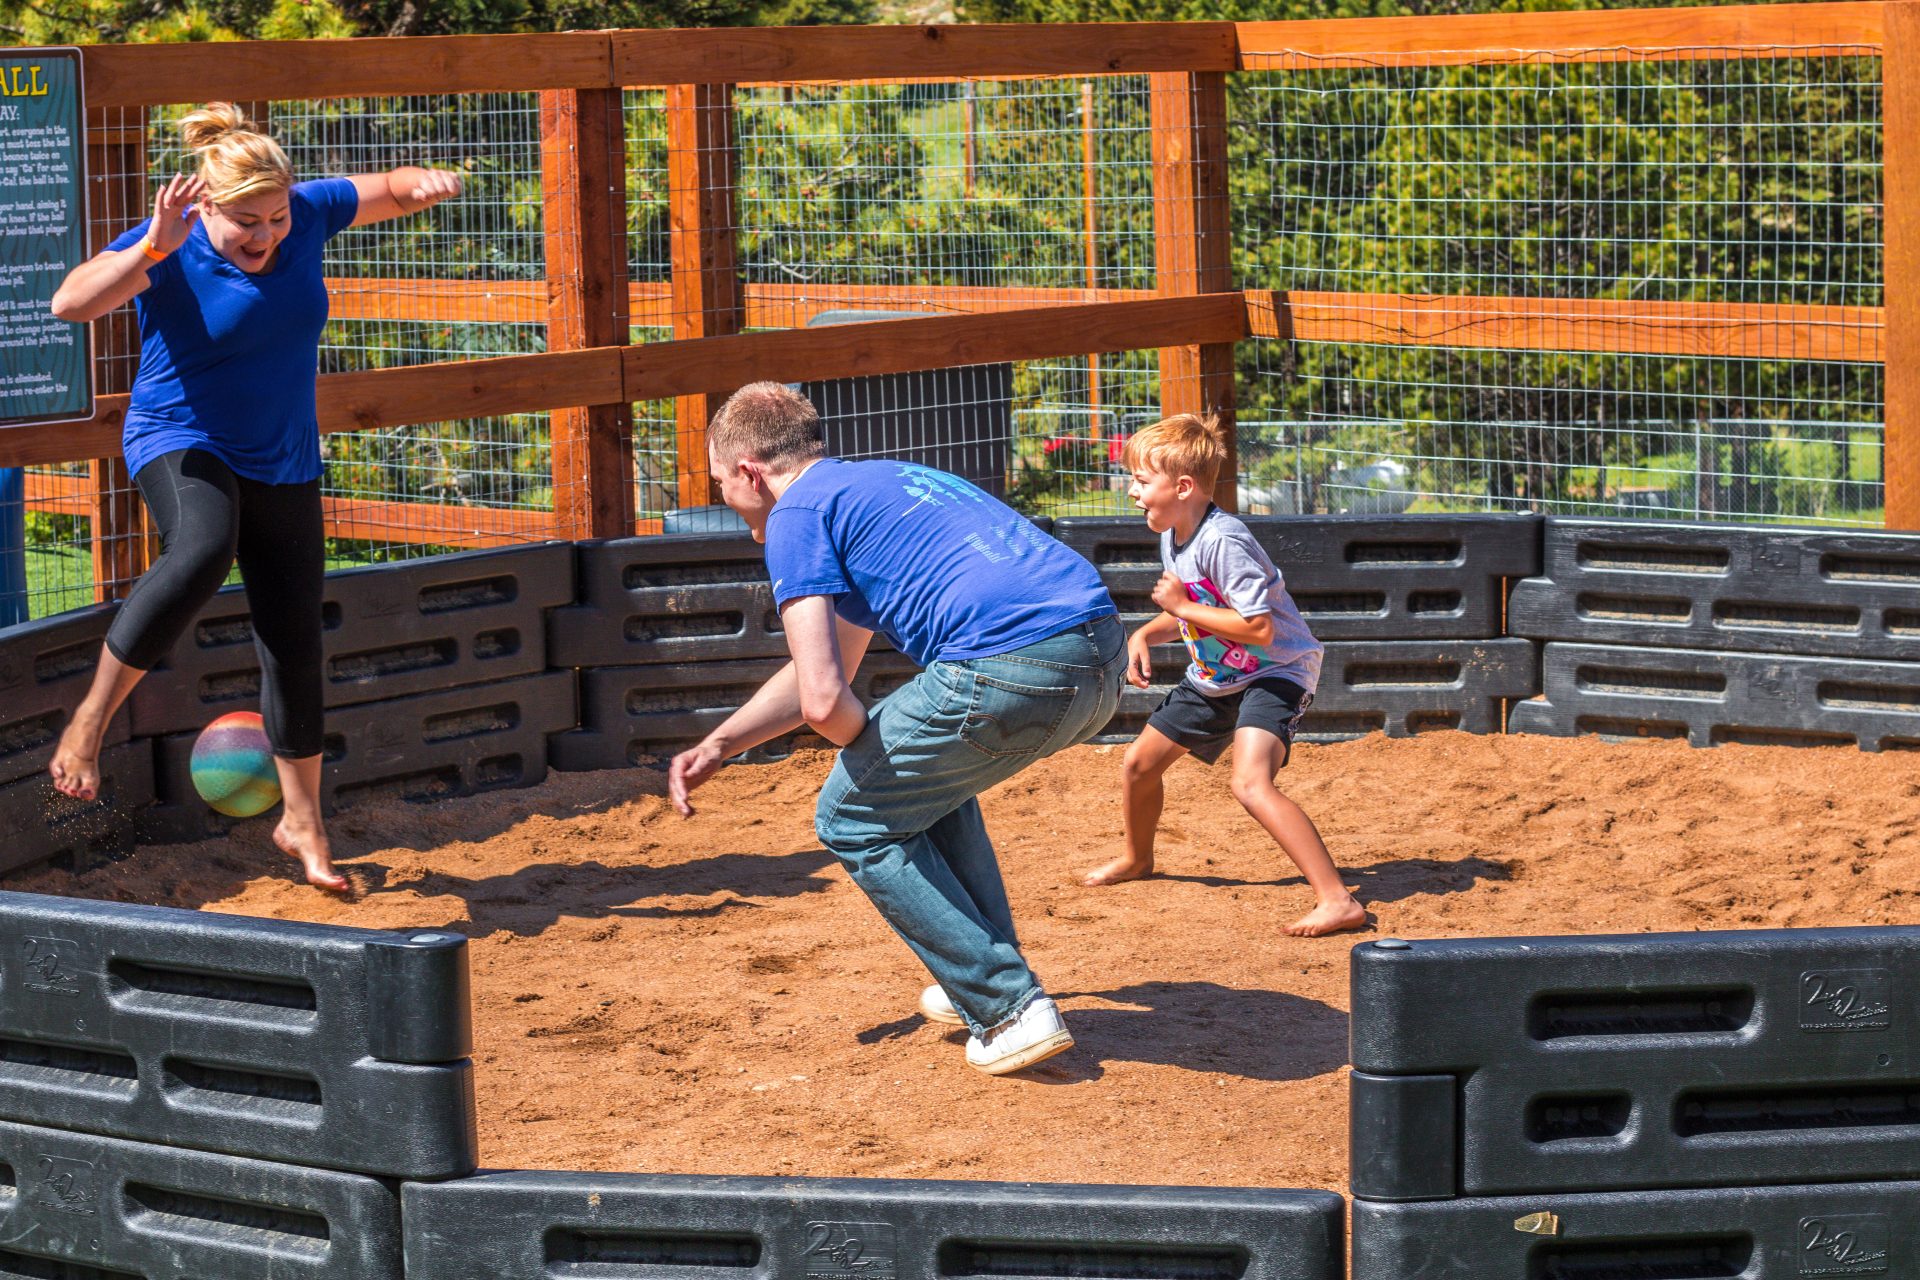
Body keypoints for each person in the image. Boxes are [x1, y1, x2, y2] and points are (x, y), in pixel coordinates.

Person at [46, 103, 464, 893]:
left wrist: (423, 184)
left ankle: (302, 821)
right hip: (179, 435)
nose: (266, 234)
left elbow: (389, 187)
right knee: (204, 545)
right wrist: (151, 248)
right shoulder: (167, 244)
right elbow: (70, 304)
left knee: (293, 635)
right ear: (206, 205)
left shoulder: (307, 213)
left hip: (282, 454)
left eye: (275, 217)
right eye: (246, 222)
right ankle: (91, 718)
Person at [667, 382, 1125, 1075]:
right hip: (1099, 658)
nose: (729, 503)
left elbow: (824, 703)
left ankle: (1007, 1006)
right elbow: (828, 677)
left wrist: (862, 748)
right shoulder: (878, 484)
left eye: (722, 485)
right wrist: (723, 741)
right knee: (911, 776)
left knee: (852, 814)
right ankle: (978, 978)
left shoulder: (796, 516)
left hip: (1009, 664)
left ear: (750, 472)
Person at [1080, 414, 1366, 938]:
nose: (1132, 492)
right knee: (1139, 766)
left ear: (1183, 487)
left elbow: (1256, 628)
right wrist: (1145, 634)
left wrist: (1180, 605)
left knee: (1250, 781)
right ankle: (1137, 858)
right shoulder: (1175, 534)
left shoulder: (1224, 540)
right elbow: (1194, 609)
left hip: (1276, 670)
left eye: (1142, 482)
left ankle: (1337, 900)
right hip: (1217, 675)